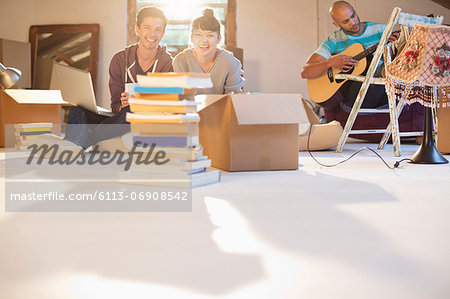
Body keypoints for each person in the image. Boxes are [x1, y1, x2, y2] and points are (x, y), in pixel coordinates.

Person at [64, 6, 173, 148]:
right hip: (121, 120)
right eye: (147, 27)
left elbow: (169, 104)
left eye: (158, 29)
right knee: (77, 111)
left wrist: (142, 103)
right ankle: (71, 148)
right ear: (137, 30)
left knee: (132, 111)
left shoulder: (168, 63)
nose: (152, 34)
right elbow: (115, 105)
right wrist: (122, 104)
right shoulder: (120, 60)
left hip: (147, 120)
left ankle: (89, 140)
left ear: (163, 34)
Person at [301, 1, 399, 109]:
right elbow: (305, 72)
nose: (353, 22)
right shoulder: (334, 40)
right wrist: (331, 62)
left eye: (353, 16)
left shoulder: (382, 30)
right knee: (376, 73)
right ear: (336, 24)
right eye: (346, 21)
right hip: (356, 94)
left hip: (383, 88)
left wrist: (396, 47)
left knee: (383, 69)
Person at [173, 8, 244, 94]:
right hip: (190, 107)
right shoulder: (180, 61)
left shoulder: (230, 62)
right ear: (191, 38)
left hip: (221, 107)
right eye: (198, 35)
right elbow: (179, 98)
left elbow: (233, 99)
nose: (204, 40)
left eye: (210, 35)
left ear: (219, 39)